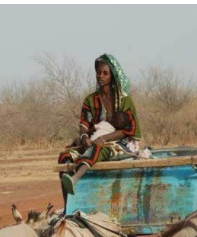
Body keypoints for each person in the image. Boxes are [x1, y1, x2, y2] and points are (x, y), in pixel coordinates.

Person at [59, 53, 142, 197]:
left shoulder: (124, 100)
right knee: (65, 156)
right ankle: (70, 203)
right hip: (94, 139)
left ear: (112, 76)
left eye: (105, 73)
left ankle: (76, 179)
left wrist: (103, 139)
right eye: (98, 73)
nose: (100, 76)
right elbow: (84, 123)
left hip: (119, 142)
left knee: (98, 149)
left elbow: (128, 130)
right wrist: (84, 136)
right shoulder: (90, 100)